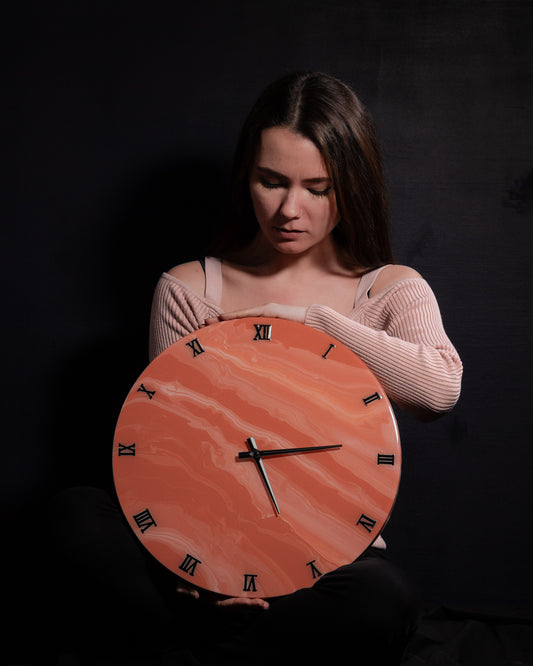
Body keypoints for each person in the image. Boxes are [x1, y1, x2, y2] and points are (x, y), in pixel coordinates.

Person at [49, 72, 462, 666]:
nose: (290, 209)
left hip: (322, 556)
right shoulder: (191, 288)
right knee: (74, 517)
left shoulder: (390, 290)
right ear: (247, 178)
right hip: (196, 550)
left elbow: (439, 389)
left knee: (384, 598)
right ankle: (222, 634)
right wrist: (202, 561)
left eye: (318, 188)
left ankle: (201, 645)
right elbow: (171, 443)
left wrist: (316, 326)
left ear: (352, 187)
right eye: (272, 182)